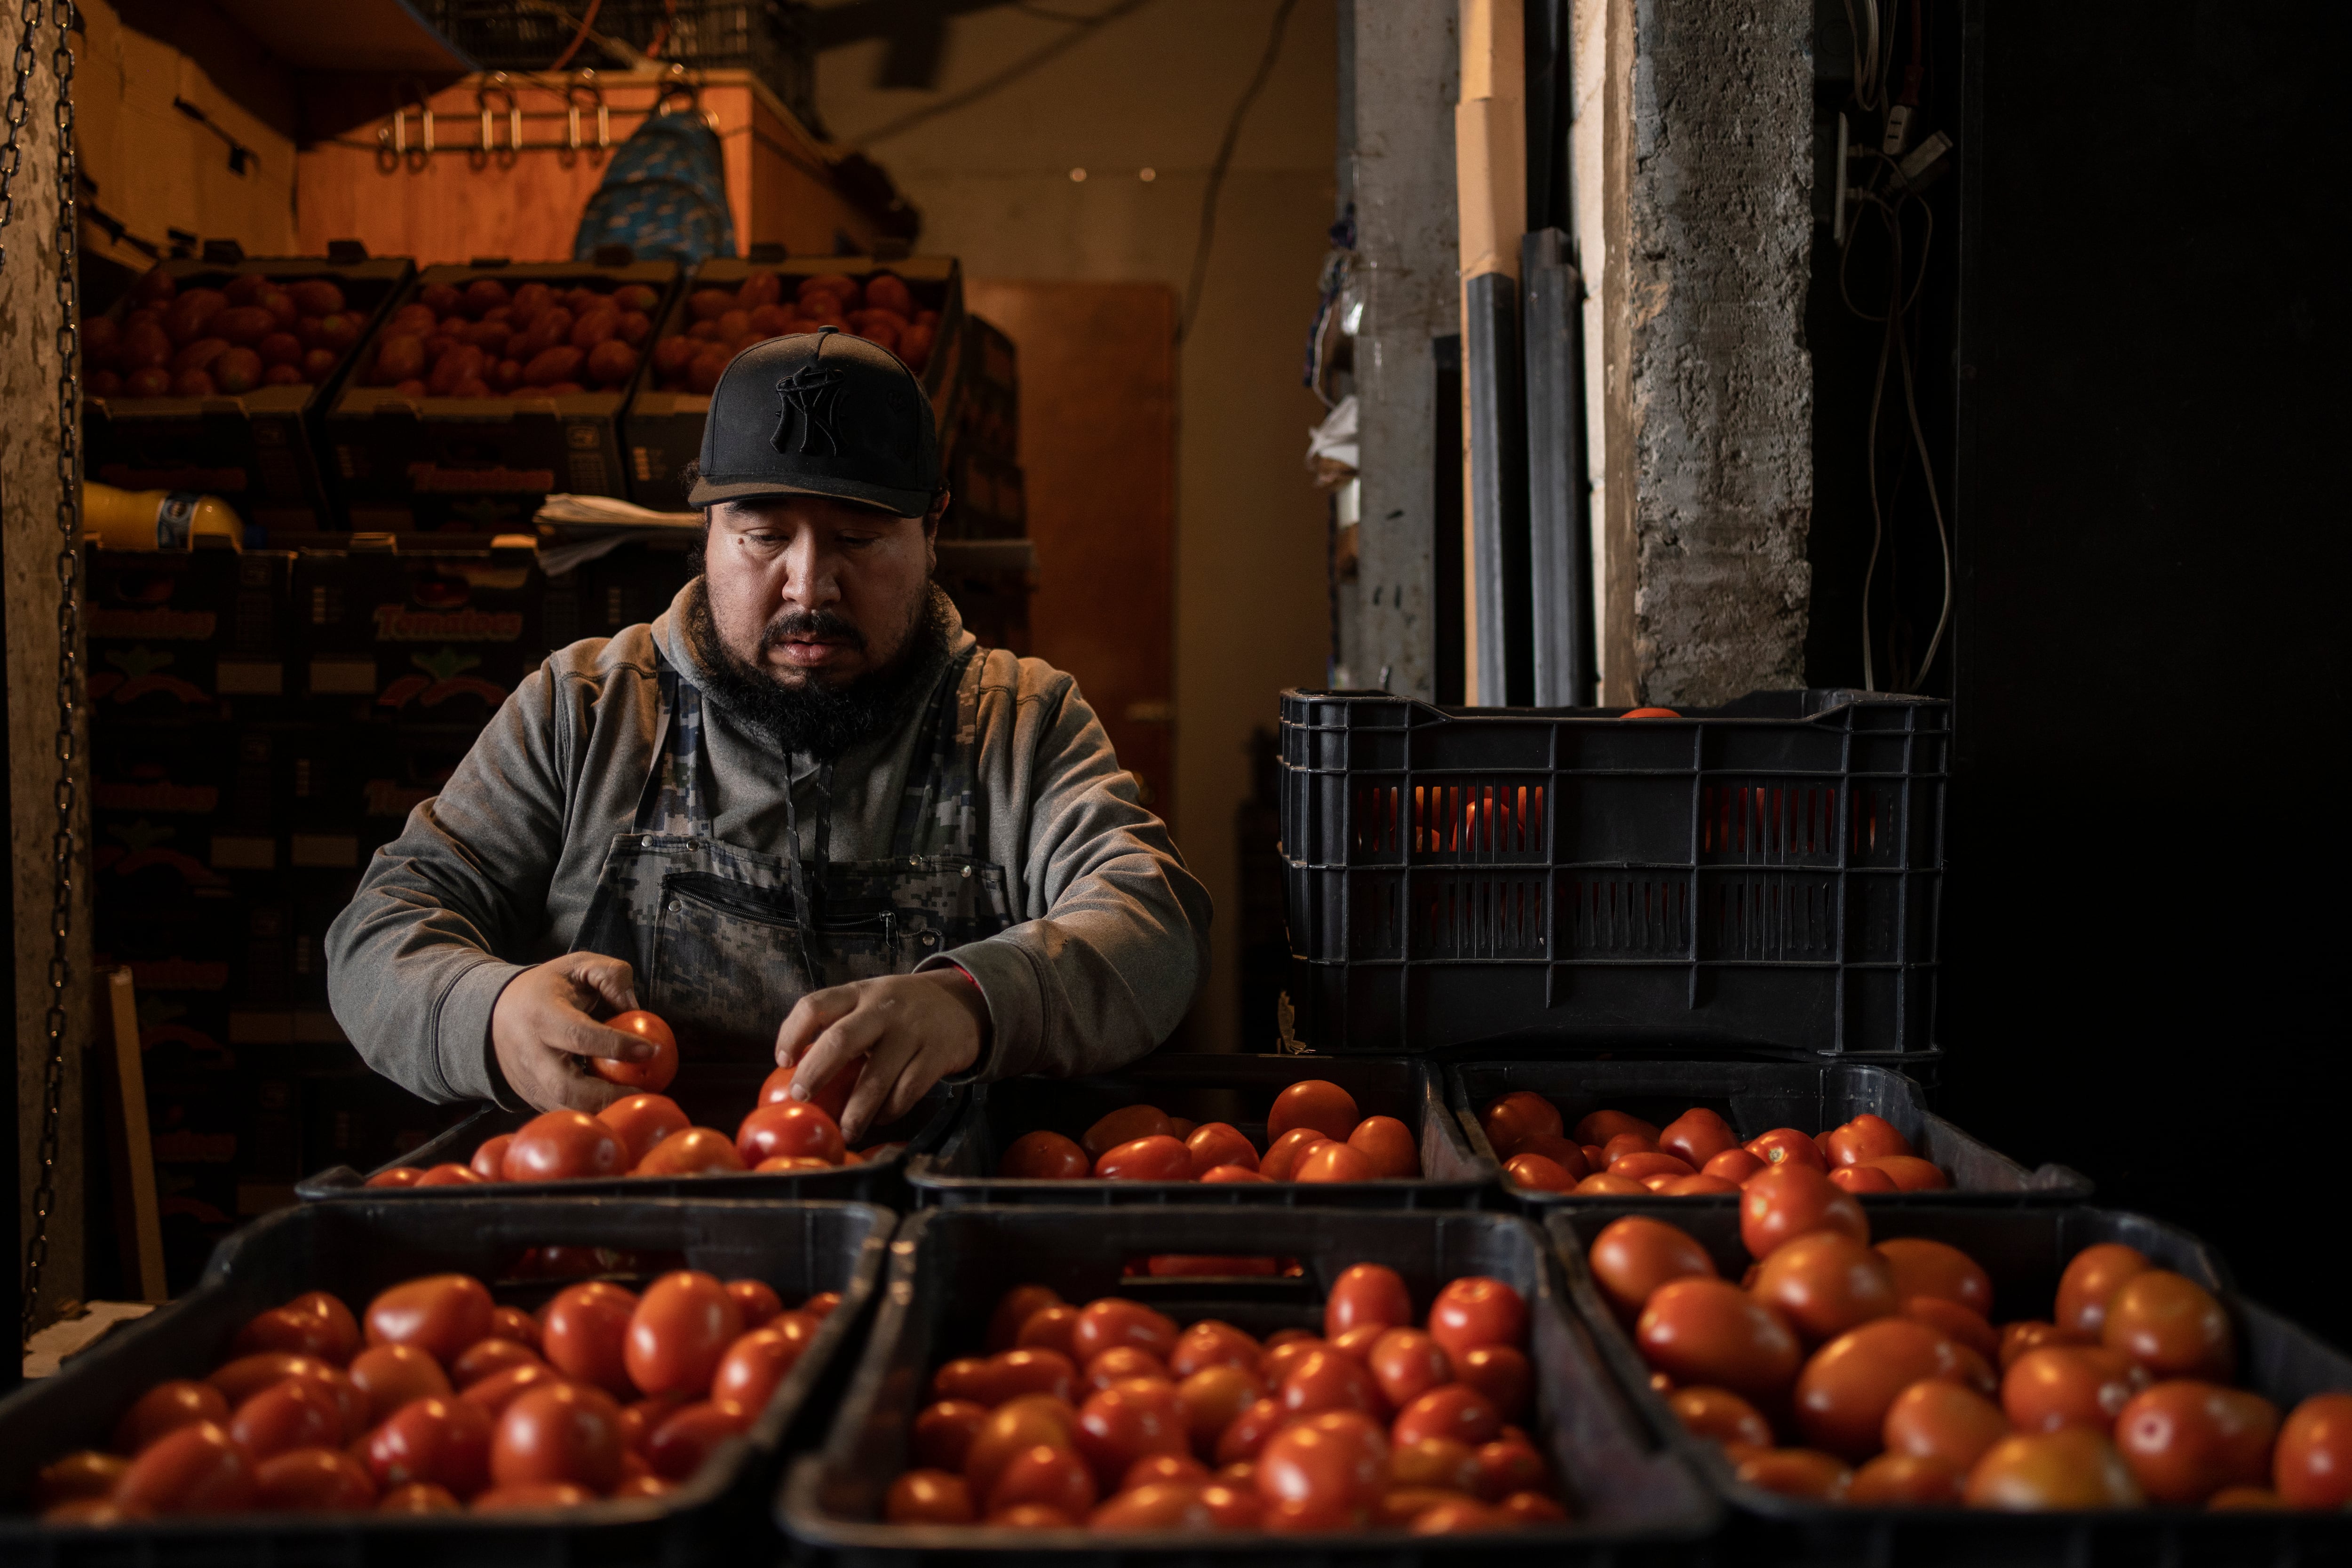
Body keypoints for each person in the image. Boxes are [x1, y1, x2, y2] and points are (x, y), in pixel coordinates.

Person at [328, 327, 1210, 1144]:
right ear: (704, 531)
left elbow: (1153, 921)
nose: (809, 587)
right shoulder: (585, 713)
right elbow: (379, 932)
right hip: (632, 1262)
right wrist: (489, 1011)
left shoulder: (1021, 724)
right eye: (763, 536)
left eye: (859, 539)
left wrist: (974, 1000)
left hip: (931, 1241)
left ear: (933, 528)